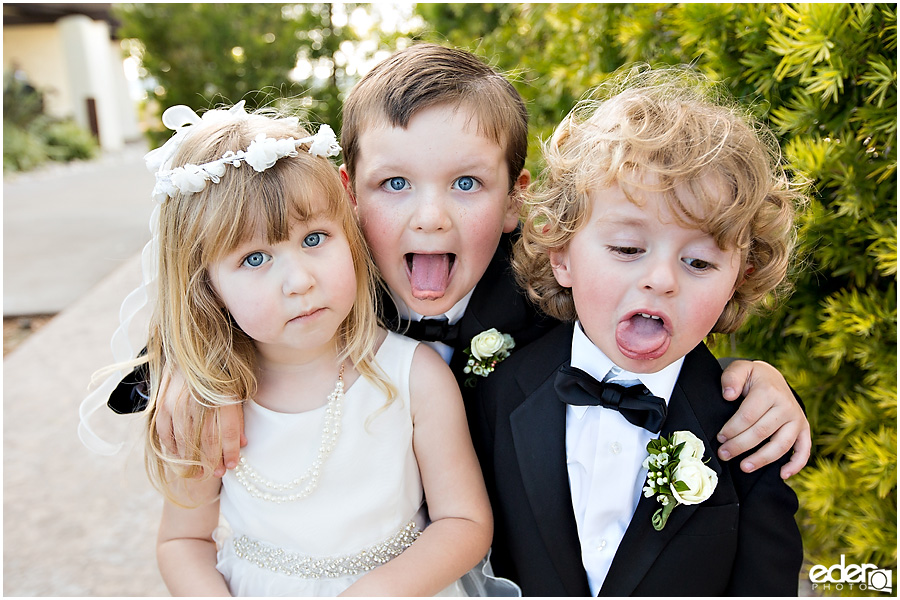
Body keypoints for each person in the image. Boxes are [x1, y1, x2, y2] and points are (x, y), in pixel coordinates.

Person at [106, 44, 809, 480]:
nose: (431, 216)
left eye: (467, 184)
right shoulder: (318, 293)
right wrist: (200, 376)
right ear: (348, 195)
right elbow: (185, 330)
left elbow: (651, 317)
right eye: (396, 183)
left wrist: (753, 380)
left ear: (515, 202)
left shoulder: (547, 295)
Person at [124, 102, 516, 596]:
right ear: (207, 286)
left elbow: (463, 521)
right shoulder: (208, 402)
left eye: (314, 238)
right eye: (255, 258)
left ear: (349, 235)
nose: (299, 281)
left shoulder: (412, 375)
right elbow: (183, 539)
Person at [474, 66, 805, 596]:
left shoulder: (748, 427)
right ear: (561, 253)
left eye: (698, 262)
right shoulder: (499, 392)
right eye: (628, 249)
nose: (660, 280)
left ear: (738, 280)